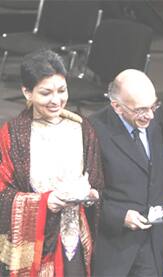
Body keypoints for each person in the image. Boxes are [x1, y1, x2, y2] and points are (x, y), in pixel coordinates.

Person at [0, 49, 104, 276]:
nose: (56, 100)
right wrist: (45, 202)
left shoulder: (82, 128)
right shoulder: (13, 135)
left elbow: (96, 184)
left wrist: (92, 195)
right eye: (46, 93)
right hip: (35, 246)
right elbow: (2, 194)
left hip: (74, 239)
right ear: (27, 92)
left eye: (62, 90)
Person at [90, 69, 163, 276]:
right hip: (113, 247)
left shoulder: (155, 119)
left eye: (154, 106)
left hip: (153, 243)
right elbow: (83, 194)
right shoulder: (92, 130)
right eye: (142, 110)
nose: (150, 115)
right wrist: (120, 217)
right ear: (117, 106)